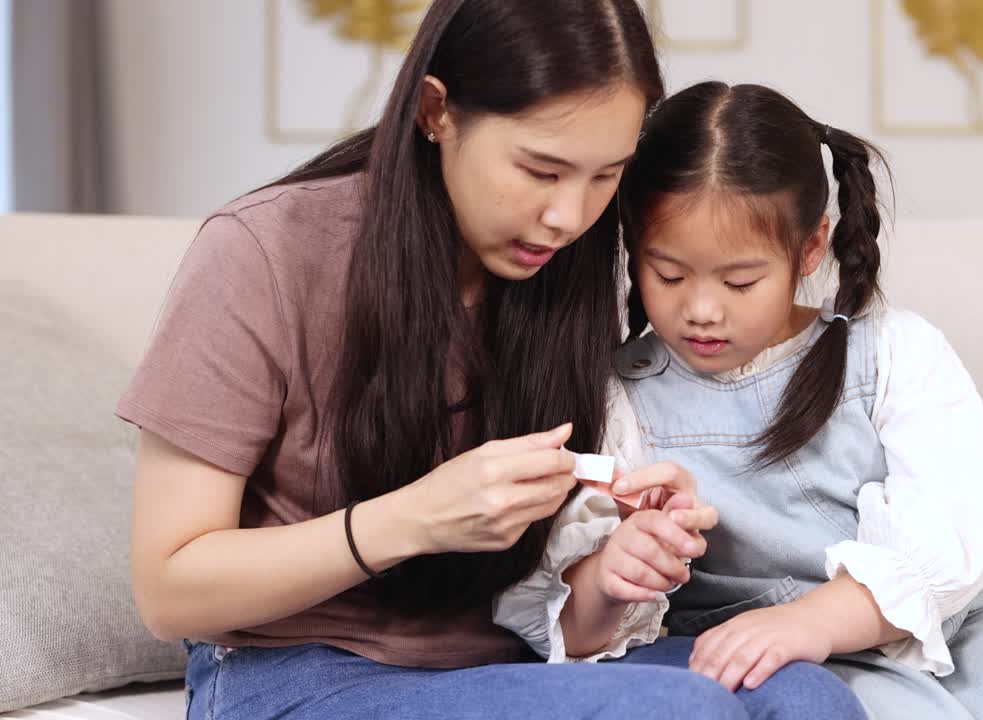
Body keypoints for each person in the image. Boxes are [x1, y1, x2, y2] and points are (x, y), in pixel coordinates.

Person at [118, 3, 861, 717]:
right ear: (437, 111)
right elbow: (168, 589)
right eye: (541, 170)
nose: (570, 217)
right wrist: (414, 519)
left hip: (517, 659)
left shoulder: (565, 264)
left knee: (802, 694)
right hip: (302, 669)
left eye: (606, 176)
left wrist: (618, 533)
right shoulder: (265, 252)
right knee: (676, 709)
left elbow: (555, 596)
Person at [502, 80, 983, 719]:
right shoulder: (623, 397)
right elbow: (578, 624)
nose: (701, 310)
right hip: (791, 660)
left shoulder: (892, 353)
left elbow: (954, 522)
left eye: (740, 282)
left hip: (964, 622)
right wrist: (608, 575)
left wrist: (815, 619)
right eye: (668, 273)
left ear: (811, 247)